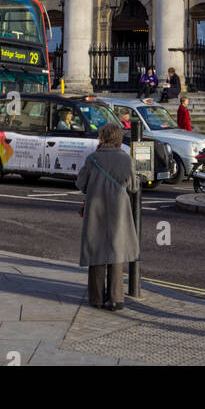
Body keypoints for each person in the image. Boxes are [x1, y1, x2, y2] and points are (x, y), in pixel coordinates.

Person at [76, 122, 139, 310]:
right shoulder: (127, 160)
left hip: (96, 209)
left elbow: (80, 184)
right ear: (119, 139)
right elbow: (133, 187)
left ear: (102, 138)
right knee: (116, 252)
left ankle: (96, 298)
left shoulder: (93, 158)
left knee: (97, 253)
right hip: (119, 210)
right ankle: (116, 298)